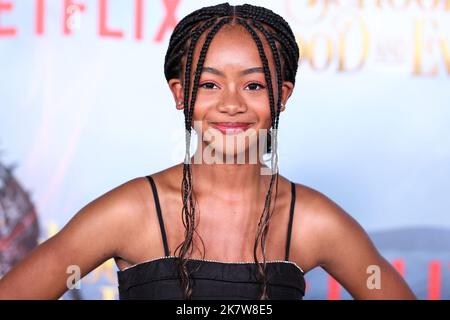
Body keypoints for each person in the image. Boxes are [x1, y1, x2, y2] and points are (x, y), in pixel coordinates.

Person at [0, 2, 416, 300]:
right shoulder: (130, 212)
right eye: (209, 84)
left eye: (253, 85)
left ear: (282, 96)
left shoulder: (313, 220)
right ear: (180, 94)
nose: (231, 103)